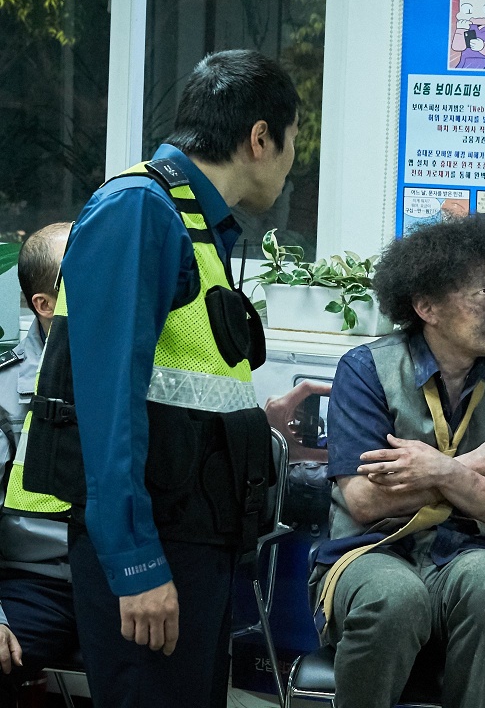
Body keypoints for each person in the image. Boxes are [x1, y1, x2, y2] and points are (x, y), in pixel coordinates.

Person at [19, 49, 303, 707]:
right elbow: (106, 403)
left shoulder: (193, 221)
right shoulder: (139, 210)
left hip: (193, 537)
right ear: (260, 138)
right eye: (293, 142)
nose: (293, 165)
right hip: (155, 547)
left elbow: (180, 389)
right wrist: (135, 563)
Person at [310, 214, 485, 708]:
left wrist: (439, 469)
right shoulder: (367, 370)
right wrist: (478, 465)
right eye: (480, 293)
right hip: (371, 552)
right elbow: (364, 502)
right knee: (395, 597)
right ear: (427, 307)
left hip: (468, 553)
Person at [0, 222, 75, 703]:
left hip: (129, 577)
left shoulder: (155, 368)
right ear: (44, 305)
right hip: (37, 582)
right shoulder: (5, 390)